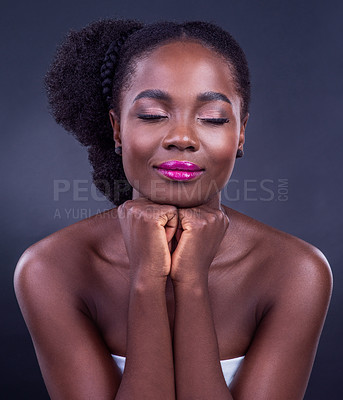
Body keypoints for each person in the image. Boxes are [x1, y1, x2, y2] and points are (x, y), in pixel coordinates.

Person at [14, 19, 332, 400]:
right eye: (152, 114)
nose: (182, 138)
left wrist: (191, 284)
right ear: (117, 129)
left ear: (241, 133)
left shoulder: (296, 271)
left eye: (212, 118)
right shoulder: (50, 268)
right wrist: (147, 281)